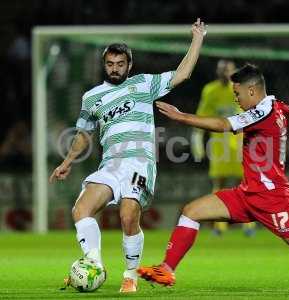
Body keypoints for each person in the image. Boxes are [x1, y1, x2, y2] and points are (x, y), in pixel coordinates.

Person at [137, 64, 289, 295]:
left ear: (252, 90)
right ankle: (167, 269)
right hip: (247, 194)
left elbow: (223, 124)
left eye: (237, 94)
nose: (235, 99)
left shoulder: (260, 112)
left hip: (272, 199)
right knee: (191, 211)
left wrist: (182, 117)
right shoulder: (277, 105)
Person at [49, 18, 207, 293]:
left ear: (129, 65)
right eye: (110, 64)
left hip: (139, 163)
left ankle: (130, 275)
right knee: (81, 210)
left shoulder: (144, 84)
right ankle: (94, 263)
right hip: (110, 164)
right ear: (104, 65)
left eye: (120, 64)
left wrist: (197, 39)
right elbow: (83, 135)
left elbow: (182, 74)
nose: (114, 69)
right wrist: (66, 162)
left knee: (127, 215)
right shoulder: (92, 97)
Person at [191, 59, 255, 236]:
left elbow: (251, 114)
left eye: (227, 70)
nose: (223, 73)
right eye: (221, 70)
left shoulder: (241, 88)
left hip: (240, 141)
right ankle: (219, 227)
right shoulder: (210, 90)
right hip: (219, 143)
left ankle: (248, 225)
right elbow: (202, 115)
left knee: (244, 183)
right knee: (219, 183)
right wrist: (197, 137)